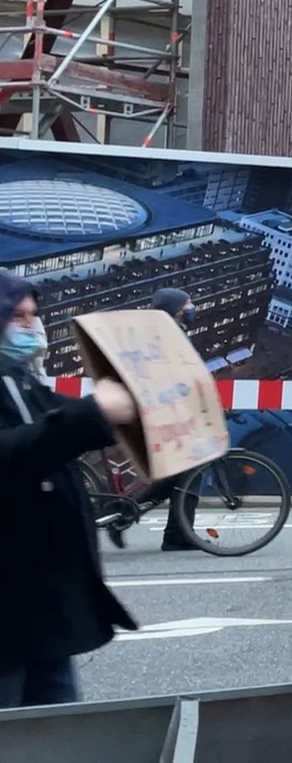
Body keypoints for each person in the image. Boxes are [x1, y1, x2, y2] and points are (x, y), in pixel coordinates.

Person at [0, 272, 139, 708]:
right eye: (15, 316)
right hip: (10, 610)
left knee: (58, 730)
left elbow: (52, 420)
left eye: (32, 315)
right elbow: (17, 447)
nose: (30, 326)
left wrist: (110, 420)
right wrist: (92, 415)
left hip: (37, 604)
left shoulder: (18, 377)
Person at [137, 287, 203, 552]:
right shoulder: (168, 336)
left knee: (181, 469)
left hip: (162, 413)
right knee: (194, 465)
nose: (193, 308)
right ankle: (177, 534)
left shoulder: (165, 333)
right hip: (165, 415)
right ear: (176, 310)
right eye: (189, 304)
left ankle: (137, 508)